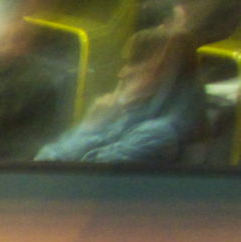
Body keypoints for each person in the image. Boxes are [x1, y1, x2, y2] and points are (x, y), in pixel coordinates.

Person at [35, 23, 205, 164]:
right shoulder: (130, 114)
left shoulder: (157, 135)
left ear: (160, 74)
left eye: (134, 64)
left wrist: (91, 126)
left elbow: (52, 168)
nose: (122, 74)